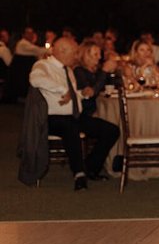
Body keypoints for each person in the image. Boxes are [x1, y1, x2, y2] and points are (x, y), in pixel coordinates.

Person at [29, 38, 120, 190]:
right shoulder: (42, 65)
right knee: (70, 127)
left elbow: (72, 94)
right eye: (75, 52)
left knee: (111, 130)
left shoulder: (69, 70)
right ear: (62, 51)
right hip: (52, 118)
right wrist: (61, 90)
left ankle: (90, 167)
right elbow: (35, 79)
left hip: (74, 116)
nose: (77, 56)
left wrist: (82, 94)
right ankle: (79, 174)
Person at [74, 39, 119, 117]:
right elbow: (91, 92)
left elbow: (114, 86)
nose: (99, 57)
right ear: (85, 55)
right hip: (87, 113)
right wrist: (104, 71)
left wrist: (113, 72)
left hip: (104, 108)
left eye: (100, 54)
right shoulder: (78, 71)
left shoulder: (97, 70)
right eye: (96, 54)